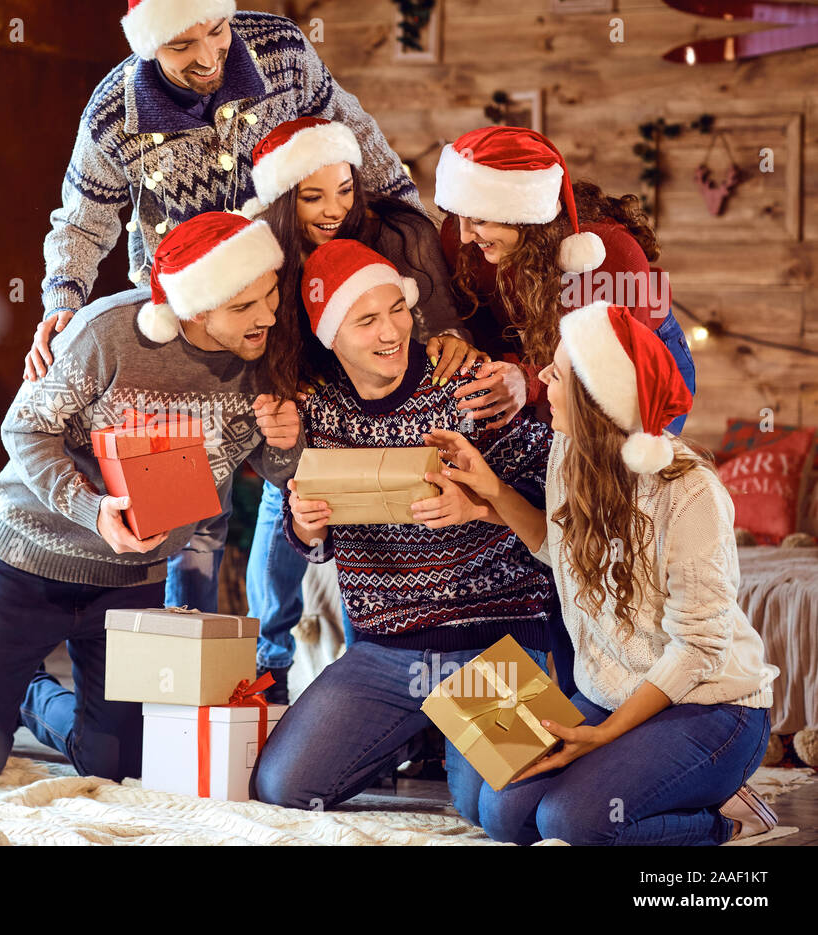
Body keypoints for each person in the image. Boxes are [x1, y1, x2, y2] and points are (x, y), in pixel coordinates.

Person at [26, 2, 421, 614]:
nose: (209, 57)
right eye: (183, 46)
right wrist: (62, 303)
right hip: (184, 325)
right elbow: (81, 222)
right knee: (186, 497)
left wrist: (410, 233)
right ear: (148, 44)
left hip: (287, 307)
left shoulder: (283, 51)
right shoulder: (113, 113)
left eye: (216, 32)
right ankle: (183, 647)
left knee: (288, 459)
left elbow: (357, 136)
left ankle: (271, 657)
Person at [0, 212, 302, 781]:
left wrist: (285, 440)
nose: (269, 316)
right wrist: (91, 509)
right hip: (27, 562)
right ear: (195, 309)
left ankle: (27, 688)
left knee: (118, 768)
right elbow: (23, 429)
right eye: (245, 307)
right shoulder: (109, 332)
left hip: (132, 581)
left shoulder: (267, 352)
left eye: (272, 294)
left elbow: (283, 472)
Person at [429, 301, 779, 845]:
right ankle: (653, 780)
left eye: (559, 373)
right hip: (609, 693)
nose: (541, 376)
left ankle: (724, 820)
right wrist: (490, 491)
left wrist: (607, 735)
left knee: (573, 821)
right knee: (498, 813)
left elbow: (700, 646)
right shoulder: (569, 452)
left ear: (598, 400)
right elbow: (561, 551)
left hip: (710, 705)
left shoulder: (689, 492)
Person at [250, 239, 556, 810]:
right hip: (387, 652)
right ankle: (418, 729)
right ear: (330, 336)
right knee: (284, 788)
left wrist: (481, 505)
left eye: (397, 310)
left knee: (503, 813)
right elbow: (308, 536)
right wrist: (308, 528)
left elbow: (552, 507)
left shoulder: (466, 385)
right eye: (366, 320)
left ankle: (442, 733)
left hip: (490, 642)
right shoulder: (313, 408)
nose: (391, 332)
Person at [238, 117, 528, 702]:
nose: (332, 211)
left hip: (384, 396)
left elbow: (439, 322)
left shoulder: (394, 235)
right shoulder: (262, 261)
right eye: (311, 196)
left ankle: (376, 663)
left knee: (496, 792)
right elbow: (261, 368)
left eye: (344, 191)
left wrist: (445, 340)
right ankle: (273, 672)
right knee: (298, 507)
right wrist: (288, 439)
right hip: (313, 409)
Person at [434, 124, 701, 697]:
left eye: (479, 218)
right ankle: (575, 686)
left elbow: (612, 367)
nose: (463, 233)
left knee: (615, 508)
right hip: (544, 372)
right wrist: (492, 363)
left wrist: (527, 383)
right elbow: (483, 329)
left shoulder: (608, 255)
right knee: (557, 512)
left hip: (635, 362)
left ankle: (641, 678)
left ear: (526, 213)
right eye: (458, 216)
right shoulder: (467, 244)